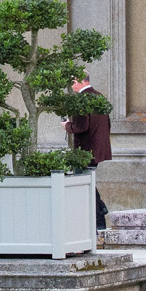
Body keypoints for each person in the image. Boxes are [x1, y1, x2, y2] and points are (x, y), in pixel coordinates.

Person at [62, 73, 114, 230]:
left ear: (77, 81)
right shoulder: (99, 96)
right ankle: (100, 212)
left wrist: (67, 126)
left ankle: (99, 217)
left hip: (85, 150)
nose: (71, 86)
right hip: (98, 148)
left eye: (72, 82)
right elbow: (107, 124)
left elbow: (81, 127)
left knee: (83, 184)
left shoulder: (81, 99)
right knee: (88, 183)